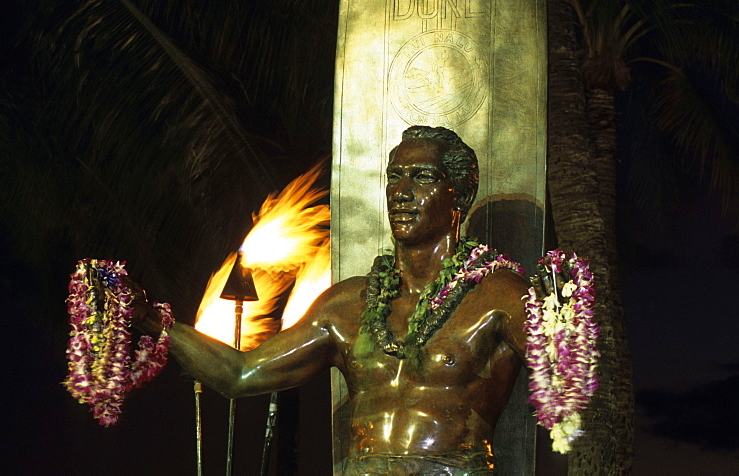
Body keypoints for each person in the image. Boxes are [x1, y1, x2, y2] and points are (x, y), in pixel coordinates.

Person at [134, 126, 530, 474]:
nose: (402, 193)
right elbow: (241, 373)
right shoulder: (346, 305)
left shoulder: (498, 294)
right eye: (394, 178)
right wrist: (154, 322)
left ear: (458, 194)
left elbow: (571, 379)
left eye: (422, 177)